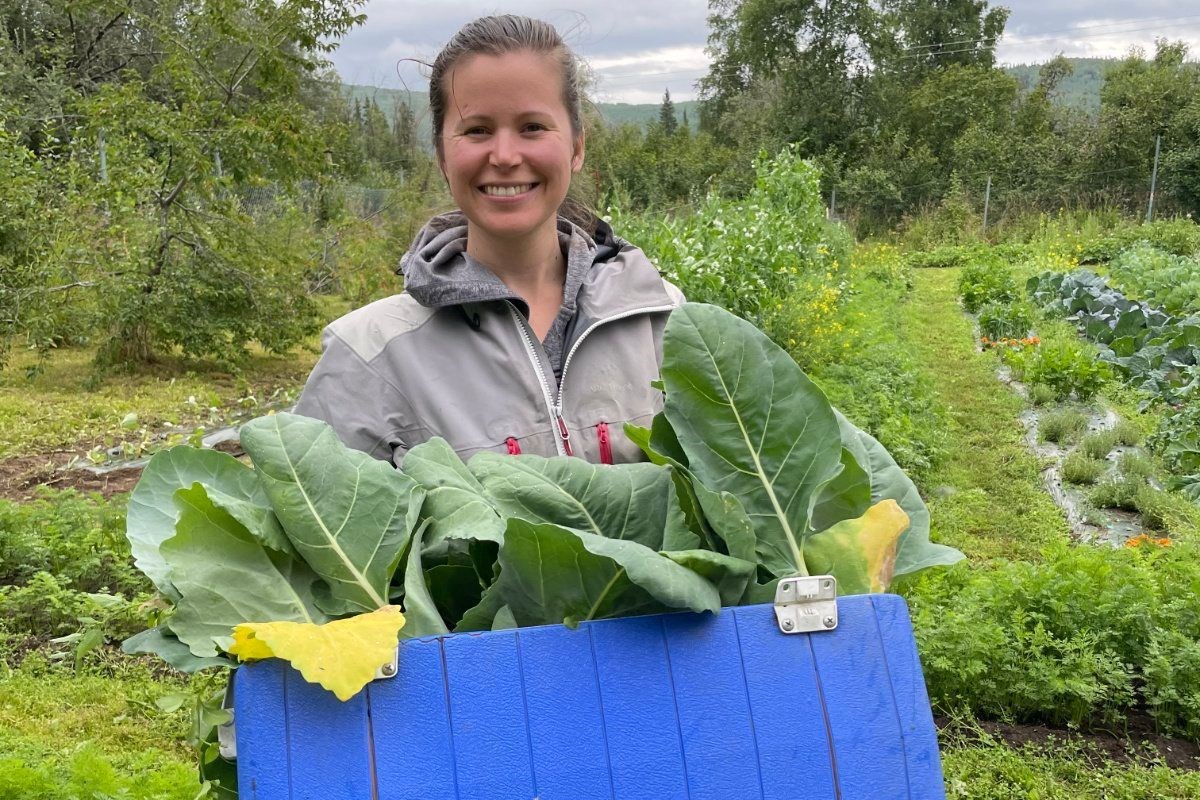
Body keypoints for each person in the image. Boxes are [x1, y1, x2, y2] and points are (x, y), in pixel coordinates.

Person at [295, 14, 683, 466]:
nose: (504, 156)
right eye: (477, 130)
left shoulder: (662, 320)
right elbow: (317, 522)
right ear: (442, 154)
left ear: (577, 146)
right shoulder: (367, 355)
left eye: (533, 127)